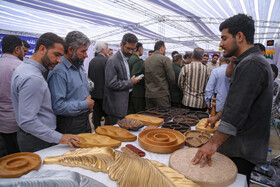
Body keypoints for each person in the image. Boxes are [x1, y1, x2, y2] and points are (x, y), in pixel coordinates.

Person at [192, 14, 273, 185]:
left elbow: (237, 111)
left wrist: (212, 144)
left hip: (242, 148)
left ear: (240, 36)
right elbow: (237, 100)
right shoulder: (248, 61)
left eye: (224, 38)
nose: (221, 44)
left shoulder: (252, 64)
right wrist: (217, 116)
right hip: (242, 145)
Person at [11, 32, 80, 152]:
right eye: (57, 55)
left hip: (34, 136)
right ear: (42, 49)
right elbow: (28, 121)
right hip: (37, 138)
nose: (59, 61)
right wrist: (61, 138)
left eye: (61, 56)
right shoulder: (33, 78)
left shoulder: (25, 68)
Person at [47, 31, 94, 134]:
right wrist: (85, 104)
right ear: (70, 50)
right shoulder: (59, 71)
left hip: (84, 120)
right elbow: (58, 106)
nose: (86, 55)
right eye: (83, 51)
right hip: (70, 125)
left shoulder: (78, 65)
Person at [103, 33, 142, 125]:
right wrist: (130, 82)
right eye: (128, 48)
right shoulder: (113, 61)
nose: (131, 52)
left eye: (133, 49)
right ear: (121, 45)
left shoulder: (125, 59)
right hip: (115, 108)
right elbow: (111, 83)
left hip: (123, 104)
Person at [0, 35, 24, 157]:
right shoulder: (20, 67)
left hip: (2, 123)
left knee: (6, 158)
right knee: (19, 159)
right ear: (17, 49)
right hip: (16, 123)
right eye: (22, 49)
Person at [144, 40, 175, 109]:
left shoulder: (146, 60)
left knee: (151, 116)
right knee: (164, 116)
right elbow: (171, 78)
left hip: (149, 94)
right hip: (162, 94)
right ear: (162, 48)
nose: (165, 51)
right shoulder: (165, 59)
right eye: (165, 49)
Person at [88, 41, 109, 129]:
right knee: (107, 115)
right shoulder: (106, 61)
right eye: (107, 48)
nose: (108, 50)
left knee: (96, 115)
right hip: (104, 94)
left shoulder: (92, 61)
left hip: (94, 93)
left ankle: (97, 131)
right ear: (103, 50)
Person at [128, 42, 146, 114]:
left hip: (130, 91)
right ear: (139, 49)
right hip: (138, 91)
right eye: (142, 49)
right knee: (139, 114)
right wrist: (144, 76)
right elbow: (136, 76)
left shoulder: (130, 58)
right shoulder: (137, 60)